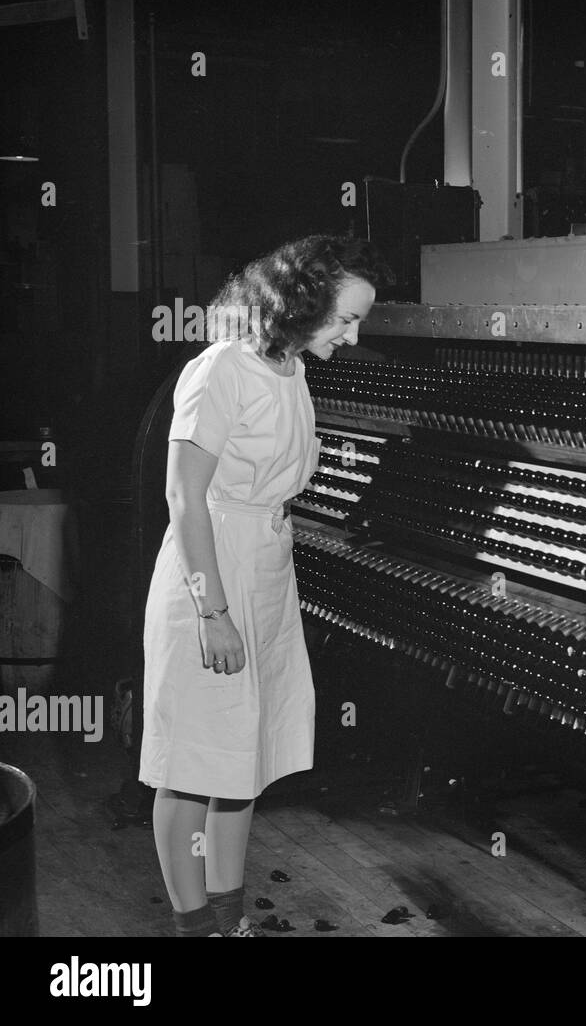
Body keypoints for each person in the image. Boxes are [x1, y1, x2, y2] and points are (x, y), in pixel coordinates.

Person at [139, 235, 392, 937]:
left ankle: (230, 916)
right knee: (191, 766)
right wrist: (212, 613)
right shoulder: (221, 368)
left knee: (239, 758)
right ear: (302, 302)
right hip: (209, 573)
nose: (353, 334)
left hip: (265, 570)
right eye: (345, 318)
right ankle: (195, 928)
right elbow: (184, 497)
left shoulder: (288, 368)